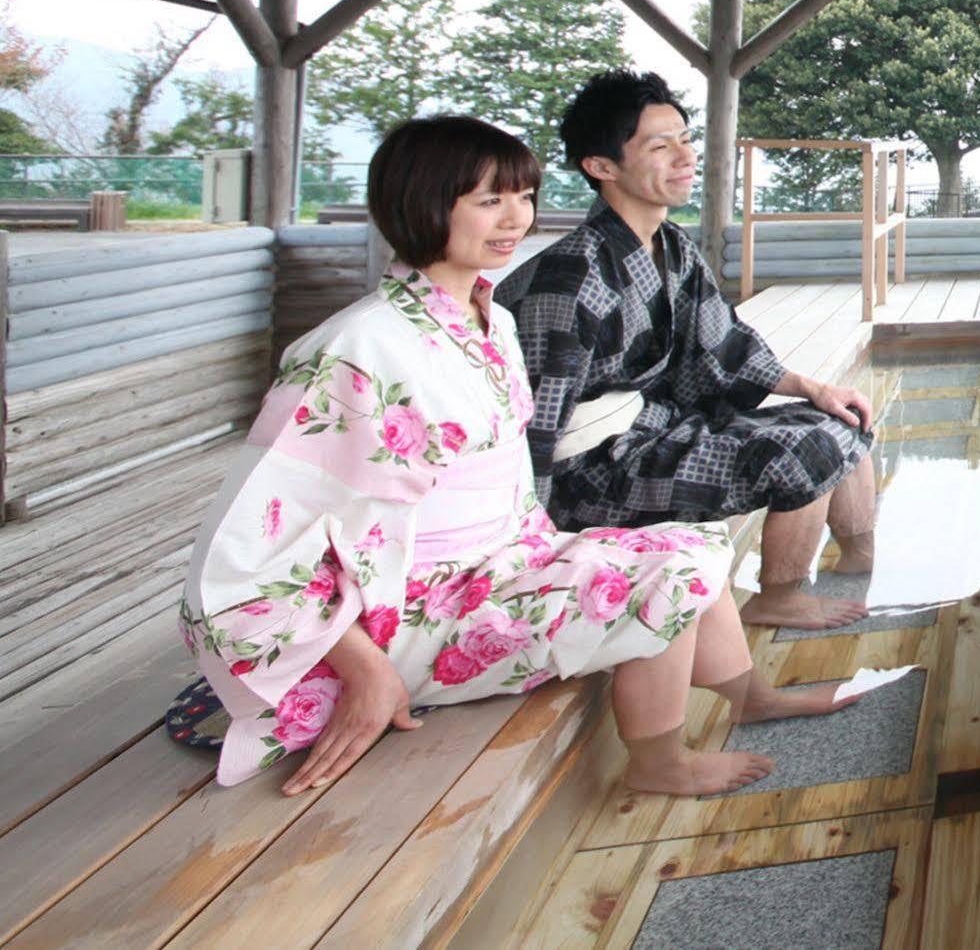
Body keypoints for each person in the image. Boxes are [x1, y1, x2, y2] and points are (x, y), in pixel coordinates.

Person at [179, 116, 852, 797]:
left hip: (499, 558)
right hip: (412, 607)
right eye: (488, 201)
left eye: (523, 197)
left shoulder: (490, 317)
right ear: (422, 204)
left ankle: (748, 697)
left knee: (695, 545)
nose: (515, 219)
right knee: (666, 576)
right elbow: (247, 551)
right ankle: (658, 762)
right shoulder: (357, 347)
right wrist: (363, 667)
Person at [496, 71, 879, 631]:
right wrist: (532, 541)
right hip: (586, 473)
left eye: (684, 138)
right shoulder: (568, 277)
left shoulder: (670, 244)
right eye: (659, 145)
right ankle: (779, 595)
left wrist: (815, 389)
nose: (684, 155)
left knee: (844, 416)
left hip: (649, 428)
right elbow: (534, 422)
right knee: (801, 451)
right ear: (601, 167)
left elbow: (724, 340)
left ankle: (861, 560)